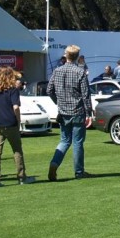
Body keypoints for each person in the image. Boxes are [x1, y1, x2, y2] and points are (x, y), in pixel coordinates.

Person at [47, 44, 94, 180]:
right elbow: (85, 95)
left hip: (63, 112)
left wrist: (58, 102)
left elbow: (49, 90)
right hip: (78, 111)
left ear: (65, 55)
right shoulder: (80, 72)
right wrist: (89, 113)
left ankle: (54, 163)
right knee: (78, 142)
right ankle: (79, 172)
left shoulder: (57, 71)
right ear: (77, 56)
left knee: (64, 141)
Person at [0, 67, 32, 187]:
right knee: (17, 150)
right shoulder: (13, 90)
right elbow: (16, 107)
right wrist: (18, 121)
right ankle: (22, 177)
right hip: (11, 124)